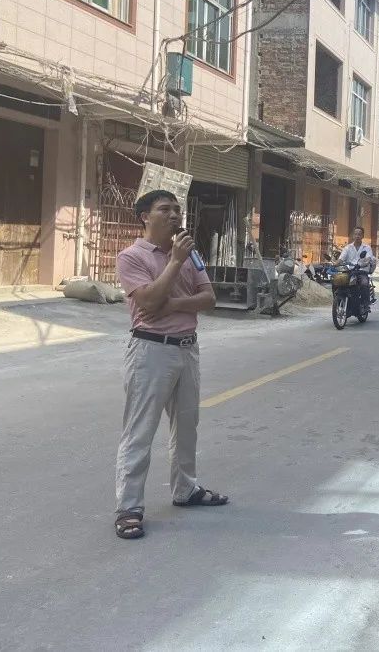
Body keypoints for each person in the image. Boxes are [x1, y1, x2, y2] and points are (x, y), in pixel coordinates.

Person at [112, 190, 227, 541]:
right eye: (165, 209)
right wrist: (175, 262)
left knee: (187, 426)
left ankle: (185, 489)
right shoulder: (131, 257)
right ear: (145, 217)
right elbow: (148, 302)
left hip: (187, 349)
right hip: (151, 351)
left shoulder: (192, 254)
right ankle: (129, 508)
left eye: (178, 209)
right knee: (140, 431)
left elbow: (209, 298)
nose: (175, 215)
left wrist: (173, 303)